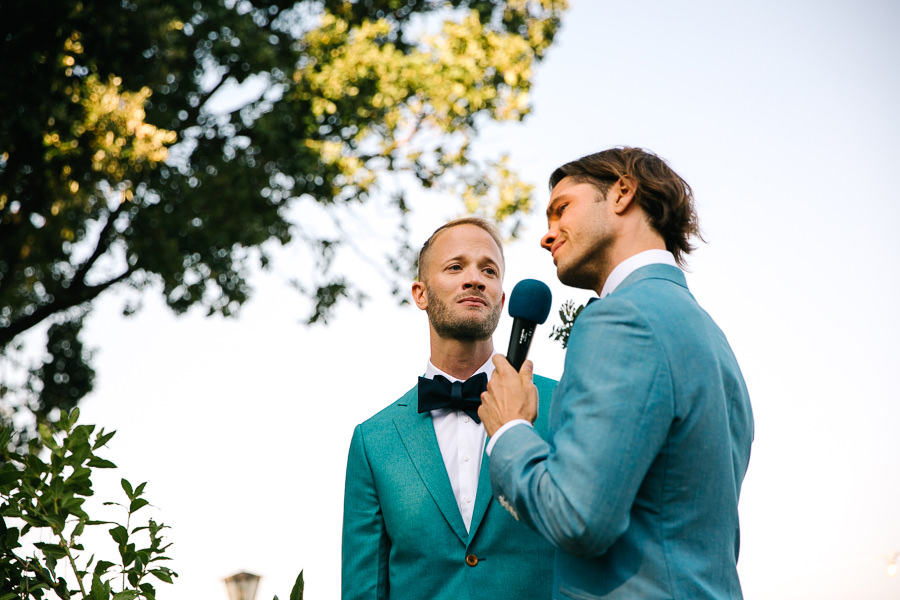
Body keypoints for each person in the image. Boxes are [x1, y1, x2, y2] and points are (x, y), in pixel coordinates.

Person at [479, 147, 754, 599]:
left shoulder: (622, 319)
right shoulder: (712, 335)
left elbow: (578, 518)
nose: (546, 236)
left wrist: (509, 430)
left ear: (623, 192)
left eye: (561, 209)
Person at [341, 218, 557, 600]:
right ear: (420, 294)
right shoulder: (373, 441)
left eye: (488, 270)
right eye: (456, 267)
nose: (475, 279)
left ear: (503, 300)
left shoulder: (565, 403)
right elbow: (364, 590)